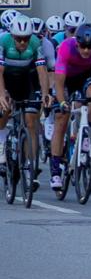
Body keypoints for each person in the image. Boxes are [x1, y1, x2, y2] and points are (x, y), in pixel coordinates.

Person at [50, 23, 91, 192]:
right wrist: (62, 102)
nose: (86, 51)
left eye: (90, 47)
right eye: (83, 46)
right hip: (65, 78)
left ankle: (85, 132)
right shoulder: (66, 47)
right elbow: (59, 83)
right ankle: (55, 169)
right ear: (77, 43)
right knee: (61, 118)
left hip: (84, 76)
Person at [0, 16, 50, 189]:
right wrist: (2, 94)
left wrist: (45, 93)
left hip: (26, 79)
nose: (22, 42)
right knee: (4, 108)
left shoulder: (35, 43)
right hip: (6, 78)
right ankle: (2, 142)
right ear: (12, 36)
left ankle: (30, 165)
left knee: (31, 120)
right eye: (18, 38)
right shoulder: (3, 41)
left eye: (26, 38)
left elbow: (42, 70)